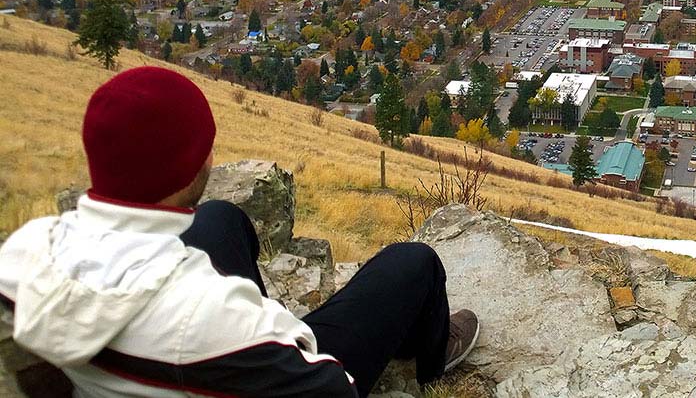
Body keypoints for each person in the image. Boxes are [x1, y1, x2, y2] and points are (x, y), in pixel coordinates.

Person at [0, 67, 479, 397]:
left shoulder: (27, 251)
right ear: (198, 163)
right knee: (413, 263)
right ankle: (434, 356)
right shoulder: (210, 321)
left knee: (219, 217)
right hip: (239, 358)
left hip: (141, 364)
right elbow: (333, 391)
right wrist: (275, 330)